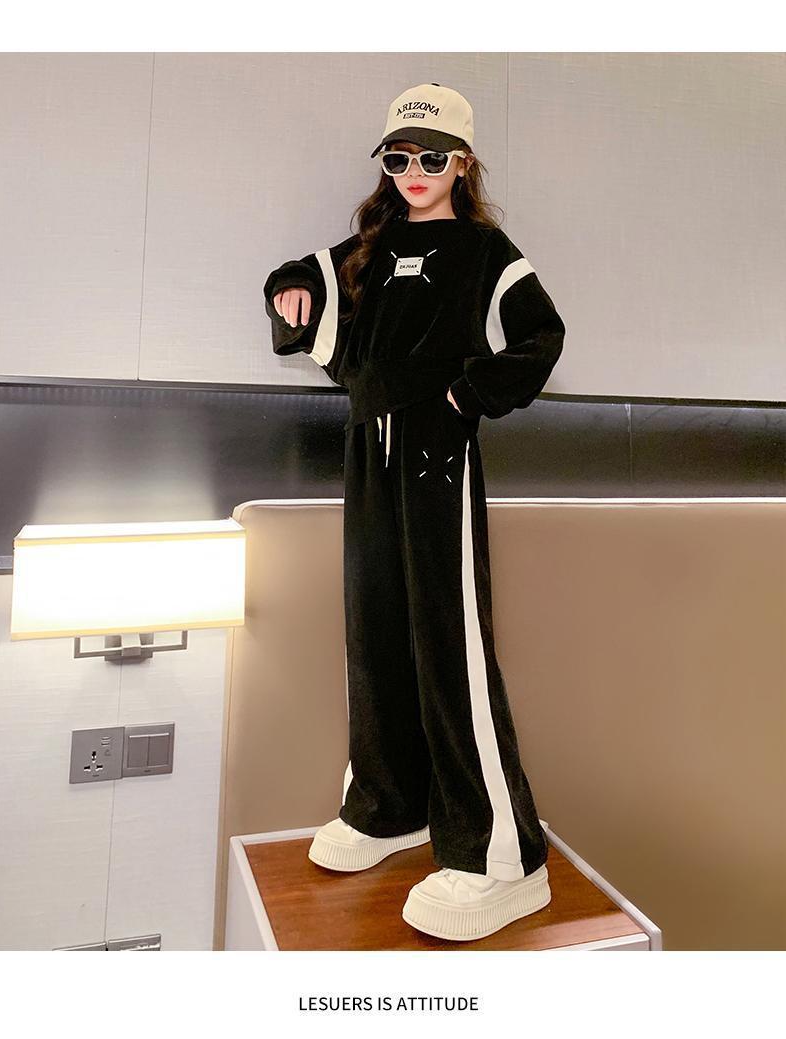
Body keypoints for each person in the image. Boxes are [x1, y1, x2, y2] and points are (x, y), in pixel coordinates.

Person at [263, 83, 566, 942]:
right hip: (368, 453)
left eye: (432, 157)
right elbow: (296, 277)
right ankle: (389, 805)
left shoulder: (484, 252)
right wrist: (292, 294)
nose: (414, 171)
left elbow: (540, 335)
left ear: (461, 163)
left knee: (448, 642)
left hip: (437, 459)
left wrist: (464, 396)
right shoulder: (372, 245)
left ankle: (500, 854)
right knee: (374, 629)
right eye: (399, 157)